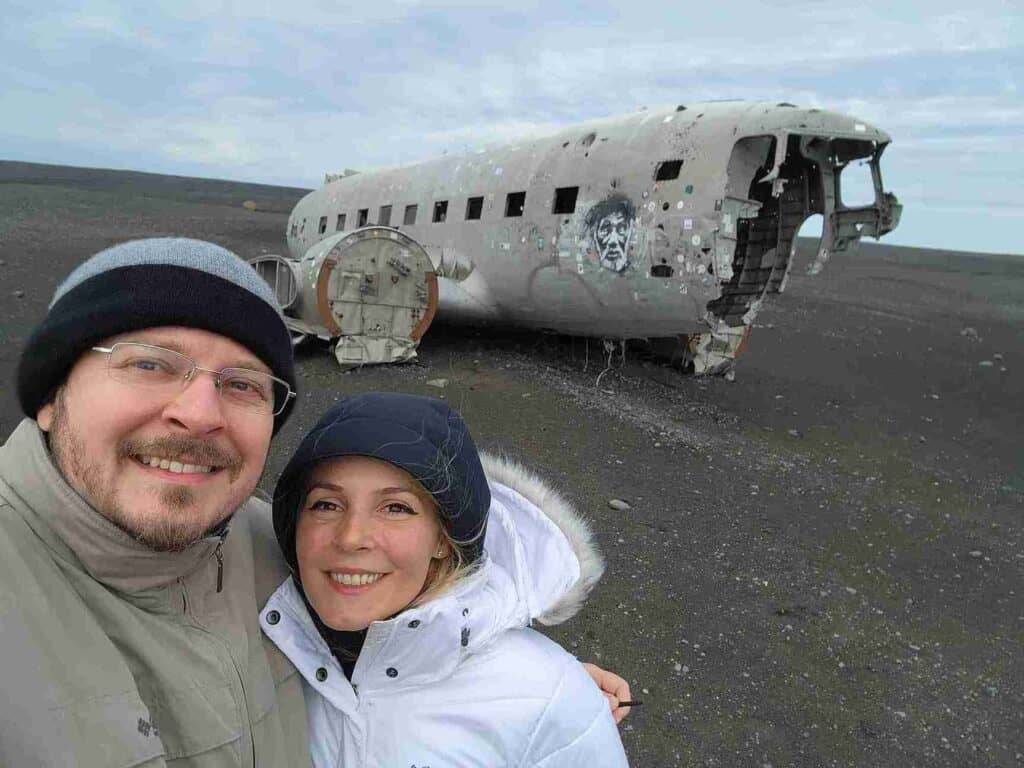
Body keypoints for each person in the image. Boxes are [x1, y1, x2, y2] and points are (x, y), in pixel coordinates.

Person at [0, 238, 630, 767]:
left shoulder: (258, 544)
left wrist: (527, 683)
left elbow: (397, 619)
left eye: (242, 383)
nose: (197, 414)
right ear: (51, 396)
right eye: (149, 365)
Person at [261, 392, 630, 767]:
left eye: (396, 508)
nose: (351, 536)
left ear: (443, 537)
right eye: (326, 504)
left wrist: (564, 700)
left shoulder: (551, 699)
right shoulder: (262, 639)